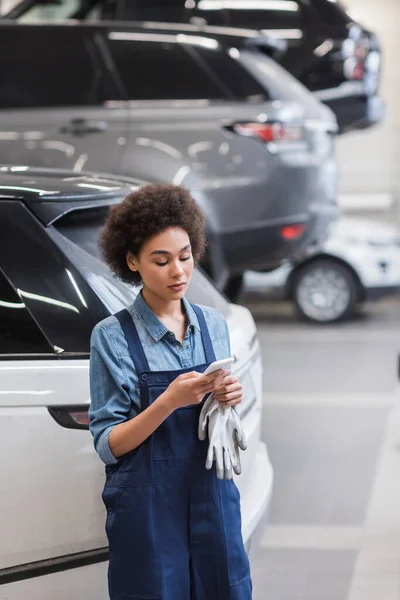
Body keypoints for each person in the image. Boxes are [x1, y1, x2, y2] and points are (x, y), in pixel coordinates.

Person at [89, 184, 252, 600]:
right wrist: (169, 402)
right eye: (161, 261)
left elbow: (225, 421)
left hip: (212, 499)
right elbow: (110, 445)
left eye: (185, 257)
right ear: (132, 261)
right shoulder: (112, 337)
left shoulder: (214, 324)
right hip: (149, 512)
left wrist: (228, 398)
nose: (178, 272)